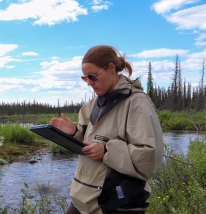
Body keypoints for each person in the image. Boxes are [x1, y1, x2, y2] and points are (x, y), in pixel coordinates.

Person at [50, 45, 164, 214]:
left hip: (116, 204)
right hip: (84, 200)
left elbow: (149, 157)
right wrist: (74, 133)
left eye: (93, 76)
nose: (89, 83)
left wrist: (106, 151)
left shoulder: (137, 103)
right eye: (85, 78)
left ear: (111, 68)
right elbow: (89, 143)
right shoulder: (93, 105)